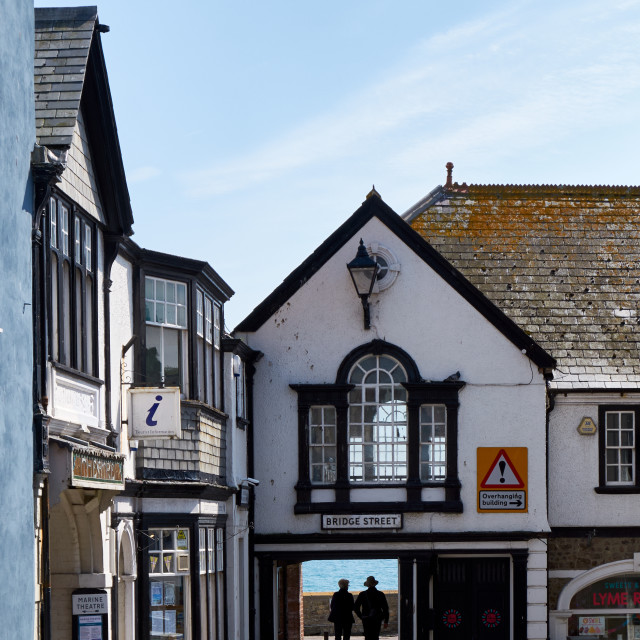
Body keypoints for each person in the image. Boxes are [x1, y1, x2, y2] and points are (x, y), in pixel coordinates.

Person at [354, 576, 389, 640]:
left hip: (366, 618)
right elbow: (385, 609)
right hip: (377, 618)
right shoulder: (380, 594)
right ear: (375, 584)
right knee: (376, 636)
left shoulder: (362, 594)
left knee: (367, 636)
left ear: (367, 585)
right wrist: (386, 621)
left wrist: (361, 616)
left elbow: (356, 607)